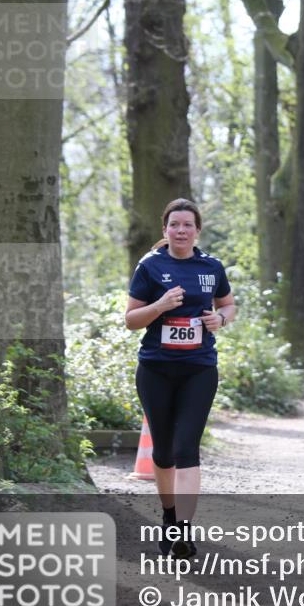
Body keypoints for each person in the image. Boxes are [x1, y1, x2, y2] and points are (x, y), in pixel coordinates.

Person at [125, 198, 236, 558]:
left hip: (199, 369)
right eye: (175, 224)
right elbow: (131, 319)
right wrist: (160, 306)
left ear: (197, 230)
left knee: (187, 447)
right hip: (156, 368)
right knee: (163, 451)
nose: (181, 230)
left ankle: (184, 532)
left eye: (188, 224)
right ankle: (170, 516)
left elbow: (228, 304)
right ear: (165, 230)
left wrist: (221, 320)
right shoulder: (150, 266)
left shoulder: (211, 266)